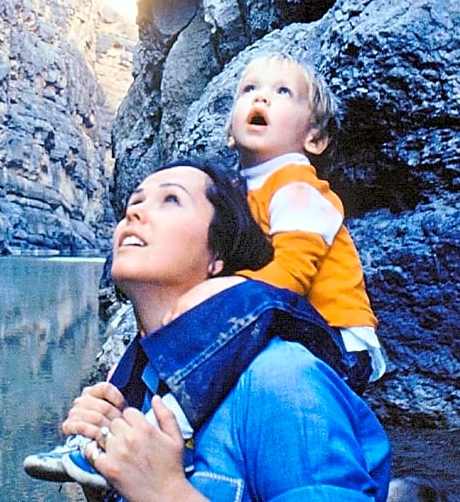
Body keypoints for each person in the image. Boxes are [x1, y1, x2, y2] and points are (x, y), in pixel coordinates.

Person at [26, 158, 391, 501]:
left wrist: (169, 494)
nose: (133, 212)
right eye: (132, 204)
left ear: (217, 256)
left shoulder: (282, 380)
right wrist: (107, 466)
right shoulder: (138, 386)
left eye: (171, 199)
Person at [168, 52, 386, 391]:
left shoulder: (297, 188)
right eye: (249, 89)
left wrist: (212, 293)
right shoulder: (236, 193)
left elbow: (289, 278)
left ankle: (174, 418)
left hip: (337, 341)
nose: (261, 96)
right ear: (230, 132)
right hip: (281, 324)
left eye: (283, 91)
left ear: (314, 138)